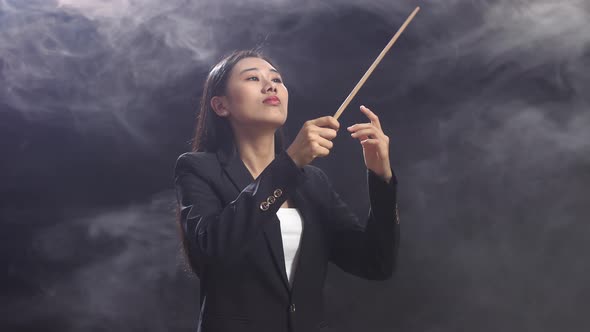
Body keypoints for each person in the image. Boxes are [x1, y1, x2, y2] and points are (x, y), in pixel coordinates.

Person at [173, 49, 400, 332]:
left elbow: (375, 263)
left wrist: (381, 177)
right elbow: (215, 247)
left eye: (277, 79)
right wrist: (289, 163)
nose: (271, 86)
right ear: (220, 106)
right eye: (253, 78)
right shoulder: (198, 168)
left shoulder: (312, 181)